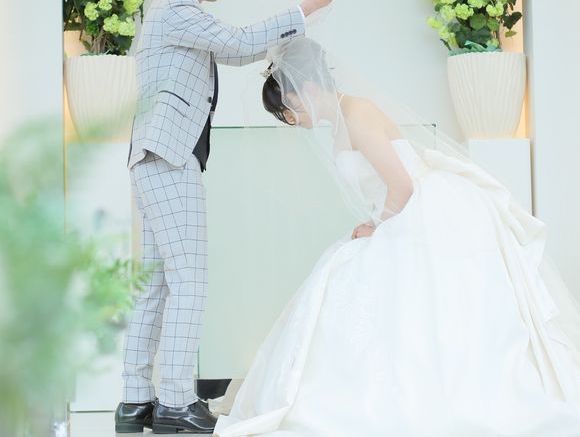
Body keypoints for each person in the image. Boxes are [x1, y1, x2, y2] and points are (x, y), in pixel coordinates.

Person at [214, 38, 580, 437]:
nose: (290, 118)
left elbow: (402, 186)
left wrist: (378, 226)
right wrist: (376, 222)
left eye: (288, 107)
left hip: (426, 212)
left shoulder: (357, 114)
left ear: (308, 88)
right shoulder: (343, 117)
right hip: (403, 212)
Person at [114, 0, 337, 434]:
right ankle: (175, 402)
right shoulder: (176, 10)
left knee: (156, 284)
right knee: (188, 282)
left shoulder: (174, 12)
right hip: (169, 158)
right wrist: (304, 9)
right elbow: (237, 43)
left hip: (155, 156)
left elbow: (237, 48)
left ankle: (135, 400)